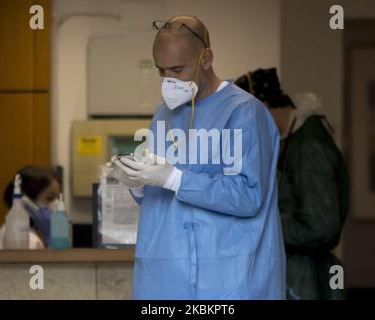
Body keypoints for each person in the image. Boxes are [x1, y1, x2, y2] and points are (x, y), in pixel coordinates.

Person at [108, 16, 285, 299]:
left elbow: (248, 196)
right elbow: (158, 194)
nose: (169, 80)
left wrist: (175, 178)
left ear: (206, 58)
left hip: (229, 278)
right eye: (161, 71)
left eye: (177, 69)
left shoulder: (243, 112)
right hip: (166, 279)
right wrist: (137, 182)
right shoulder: (163, 115)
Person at [235, 68, 349, 300]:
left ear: (263, 106)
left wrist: (260, 225)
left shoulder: (309, 147)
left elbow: (321, 227)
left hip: (306, 278)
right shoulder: (292, 140)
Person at [0, 166, 61, 250]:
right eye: (50, 198)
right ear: (26, 202)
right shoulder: (25, 239)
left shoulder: (29, 234)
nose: (57, 204)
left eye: (58, 198)